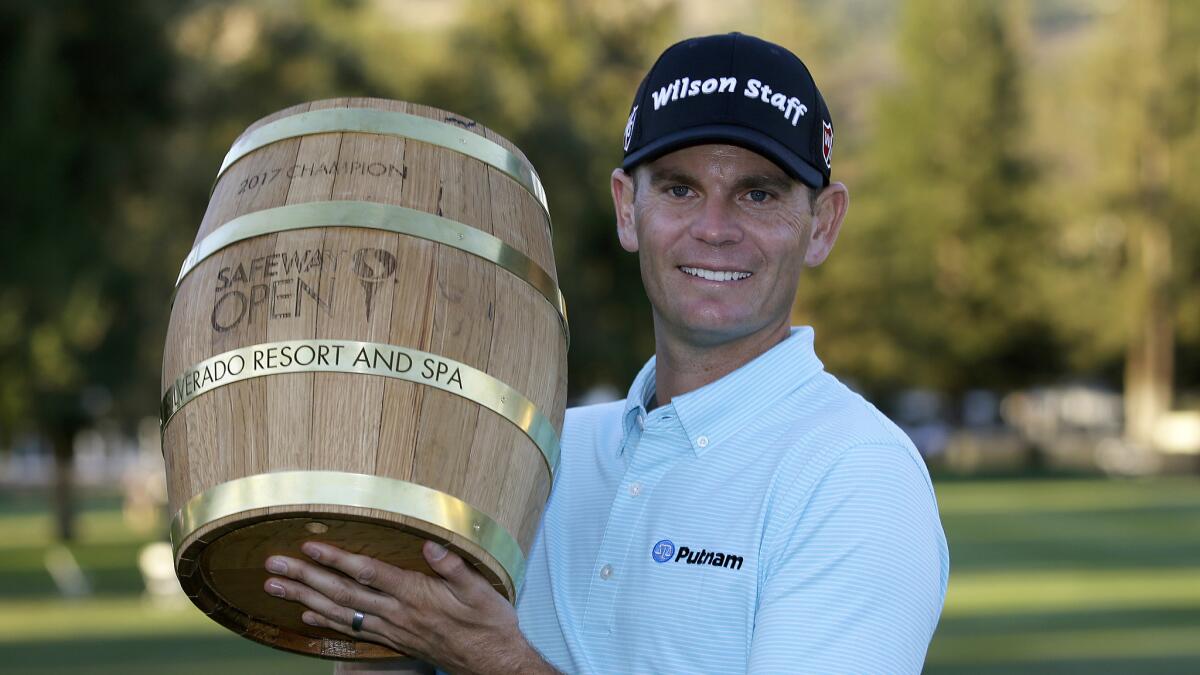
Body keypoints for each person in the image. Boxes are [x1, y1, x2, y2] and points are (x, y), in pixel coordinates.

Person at [262, 32, 950, 674]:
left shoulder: (857, 476)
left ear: (822, 224)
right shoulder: (536, 453)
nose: (714, 229)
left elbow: (484, 654)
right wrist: (377, 623)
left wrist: (494, 657)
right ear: (628, 209)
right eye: (680, 188)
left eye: (758, 193)